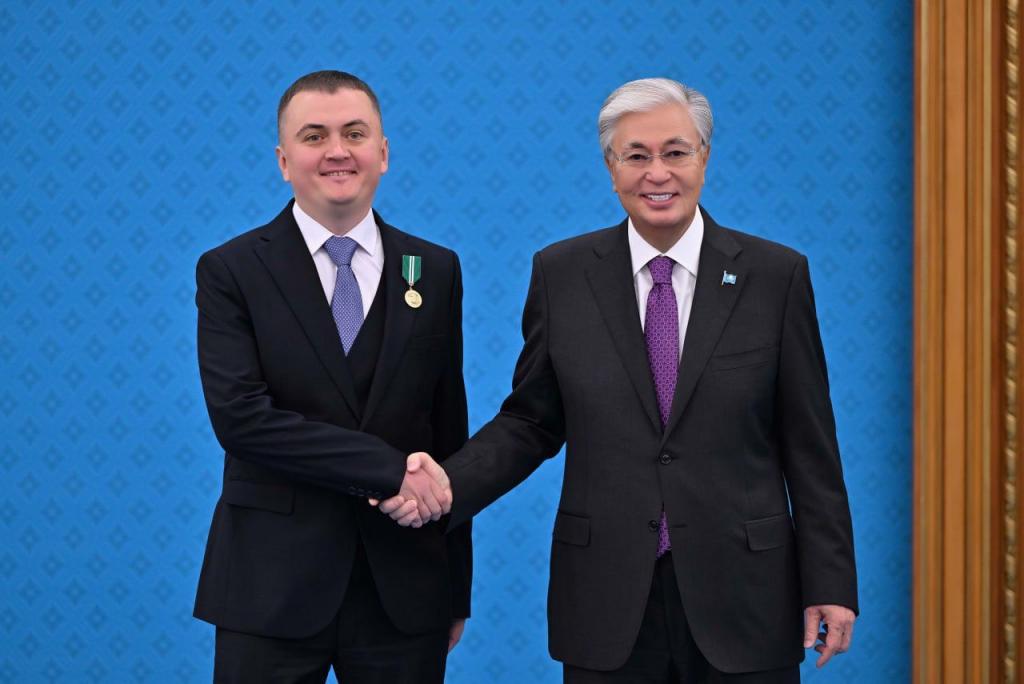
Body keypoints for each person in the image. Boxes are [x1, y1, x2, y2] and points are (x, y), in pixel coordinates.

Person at [380, 77, 857, 683]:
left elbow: (810, 445)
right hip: (606, 598)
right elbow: (531, 421)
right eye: (636, 155)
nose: (657, 173)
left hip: (746, 597)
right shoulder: (562, 273)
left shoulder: (775, 276)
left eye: (676, 152)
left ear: (704, 158)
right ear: (611, 168)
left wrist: (830, 581)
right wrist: (447, 483)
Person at [193, 70, 469, 684]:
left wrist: (455, 585)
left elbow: (448, 428)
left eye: (355, 133)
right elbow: (242, 420)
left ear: (383, 153)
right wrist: (389, 470)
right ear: (283, 160)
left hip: (405, 587)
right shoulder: (231, 270)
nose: (337, 151)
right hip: (270, 586)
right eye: (314, 136)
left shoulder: (435, 269)